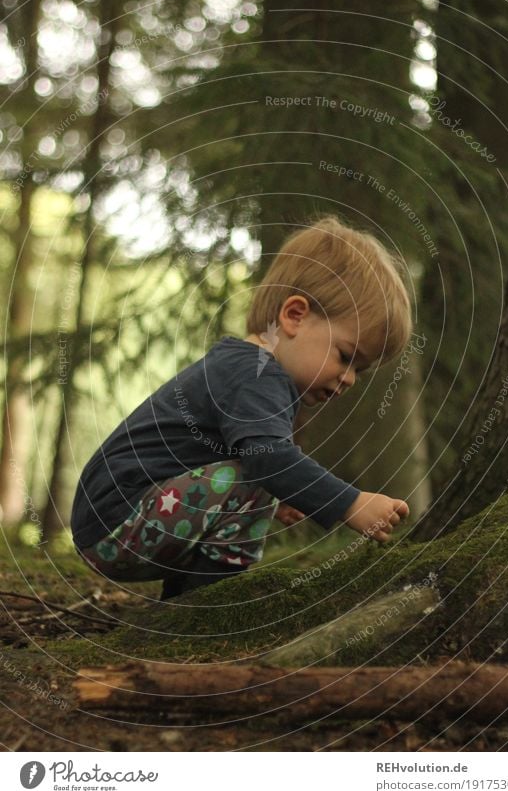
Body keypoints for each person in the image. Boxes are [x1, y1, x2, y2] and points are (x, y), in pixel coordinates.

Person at [70, 215, 412, 602]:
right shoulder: (258, 372)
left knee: (260, 474)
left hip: (113, 520)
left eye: (360, 371)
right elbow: (266, 458)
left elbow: (223, 455)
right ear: (294, 316)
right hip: (118, 520)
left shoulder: (247, 368)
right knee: (258, 472)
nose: (349, 378)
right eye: (347, 356)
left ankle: (181, 606)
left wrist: (281, 495)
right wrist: (348, 502)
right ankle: (202, 610)